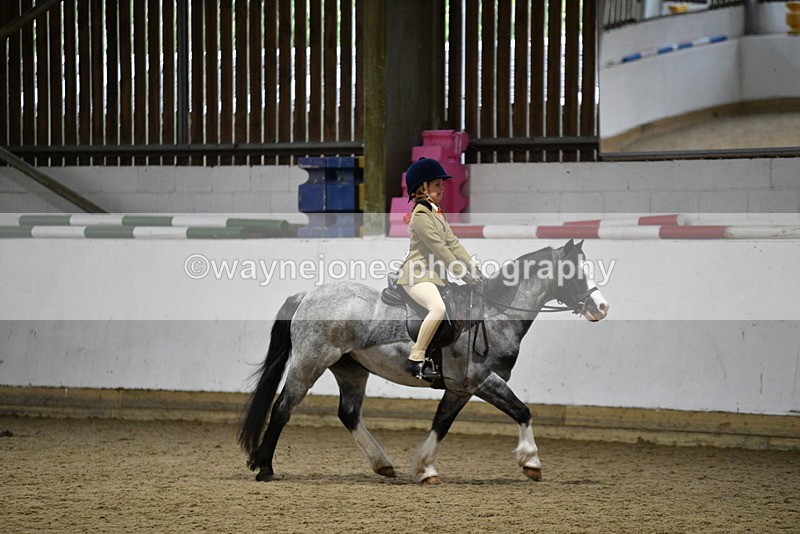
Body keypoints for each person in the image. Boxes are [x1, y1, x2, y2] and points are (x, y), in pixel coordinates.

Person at [395, 157, 482, 380]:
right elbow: (440, 249)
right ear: (422, 188)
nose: (442, 187)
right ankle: (416, 358)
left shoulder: (435, 213)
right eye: (437, 184)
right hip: (416, 275)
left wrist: (473, 267)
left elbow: (453, 243)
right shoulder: (421, 216)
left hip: (433, 276)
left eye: (442, 184)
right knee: (438, 309)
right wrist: (464, 275)